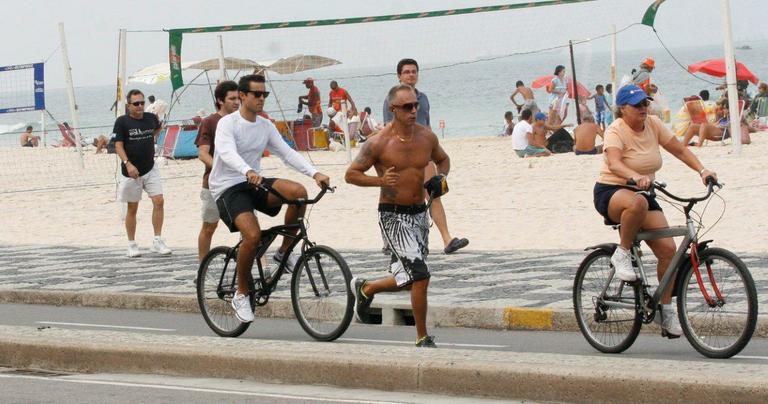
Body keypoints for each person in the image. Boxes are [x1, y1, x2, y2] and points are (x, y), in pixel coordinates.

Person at [593, 85, 717, 338]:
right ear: (623, 109)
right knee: (636, 204)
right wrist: (635, 176)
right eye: (637, 105)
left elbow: (680, 150)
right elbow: (614, 163)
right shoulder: (615, 130)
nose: (643, 109)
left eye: (645, 104)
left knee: (669, 252)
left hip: (643, 191)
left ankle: (666, 310)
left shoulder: (653, 124)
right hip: (612, 191)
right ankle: (622, 253)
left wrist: (703, 171)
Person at [209, 74, 330, 323]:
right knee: (252, 236)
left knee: (298, 193)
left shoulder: (265, 125)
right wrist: (247, 170)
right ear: (242, 96)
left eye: (264, 94)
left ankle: (283, 253)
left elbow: (287, 153)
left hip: (254, 182)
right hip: (228, 187)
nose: (262, 98)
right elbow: (226, 152)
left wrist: (314, 173)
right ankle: (241, 294)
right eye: (257, 94)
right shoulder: (228, 124)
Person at [345, 84, 450, 348]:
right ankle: (422, 336)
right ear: (393, 110)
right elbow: (351, 175)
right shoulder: (378, 142)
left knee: (410, 279)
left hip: (419, 215)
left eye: (415, 105)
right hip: (392, 216)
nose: (414, 110)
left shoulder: (427, 137)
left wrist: (441, 178)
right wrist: (379, 181)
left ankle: (366, 288)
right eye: (407, 107)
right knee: (421, 274)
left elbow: (443, 160)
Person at [381, 58, 468, 254]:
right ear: (399, 76)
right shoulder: (391, 99)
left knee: (433, 194)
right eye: (407, 72)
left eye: (414, 71)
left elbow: (427, 126)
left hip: (424, 155)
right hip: (401, 156)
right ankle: (389, 239)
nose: (411, 75)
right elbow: (389, 129)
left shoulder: (424, 98)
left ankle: (447, 239)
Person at [113, 89, 171, 258]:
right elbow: (118, 145)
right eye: (136, 103)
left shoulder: (150, 118)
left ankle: (157, 240)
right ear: (128, 105)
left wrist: (152, 137)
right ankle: (131, 244)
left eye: (142, 103)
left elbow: (156, 130)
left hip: (150, 167)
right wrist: (127, 163)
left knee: (159, 201)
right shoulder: (122, 122)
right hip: (131, 172)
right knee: (132, 207)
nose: (140, 106)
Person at [194, 80, 240, 263]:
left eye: (239, 98)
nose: (237, 102)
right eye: (232, 98)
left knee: (248, 227)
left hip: (238, 183)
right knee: (209, 227)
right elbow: (202, 153)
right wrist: (221, 168)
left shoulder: (241, 121)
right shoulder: (210, 122)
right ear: (220, 100)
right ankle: (202, 267)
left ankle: (255, 265)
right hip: (213, 183)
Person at [681, 99, 751, 147]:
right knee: (693, 126)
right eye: (723, 108)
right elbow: (715, 123)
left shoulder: (734, 117)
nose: (723, 110)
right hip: (713, 130)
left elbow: (744, 127)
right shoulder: (722, 116)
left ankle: (699, 144)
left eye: (725, 108)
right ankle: (684, 144)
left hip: (721, 133)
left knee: (704, 125)